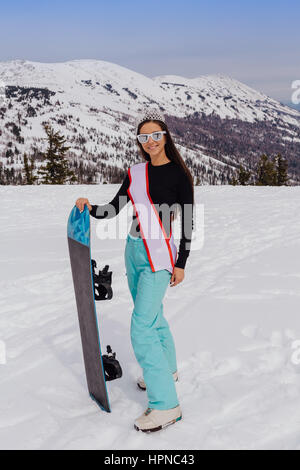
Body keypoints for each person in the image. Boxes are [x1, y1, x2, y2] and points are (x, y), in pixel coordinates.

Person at [75, 107, 194, 432]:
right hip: (134, 251)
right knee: (153, 318)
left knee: (140, 327)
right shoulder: (136, 173)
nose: (150, 141)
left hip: (159, 256)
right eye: (145, 137)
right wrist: (90, 208)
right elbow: (115, 206)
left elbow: (187, 223)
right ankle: (167, 370)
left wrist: (181, 264)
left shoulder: (180, 175)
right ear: (140, 141)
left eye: (156, 135)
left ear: (165, 137)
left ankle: (166, 405)